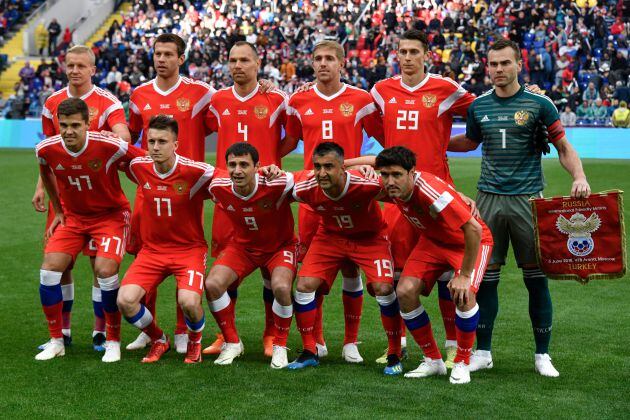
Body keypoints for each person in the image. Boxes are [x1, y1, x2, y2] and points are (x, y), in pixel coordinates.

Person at [449, 39, 591, 377]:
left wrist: (580, 176)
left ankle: (542, 354)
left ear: (519, 64)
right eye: (493, 64)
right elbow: (470, 142)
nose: (498, 70)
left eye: (505, 64)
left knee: (536, 280)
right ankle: (483, 352)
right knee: (486, 282)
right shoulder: (479, 106)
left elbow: (563, 145)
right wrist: (430, 141)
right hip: (488, 200)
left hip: (529, 200)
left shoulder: (540, 104)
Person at [370, 29, 477, 366]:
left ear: (426, 55)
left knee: (447, 274)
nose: (407, 57)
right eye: (402, 51)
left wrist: (449, 143)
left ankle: (450, 344)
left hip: (438, 197)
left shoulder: (445, 89)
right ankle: (397, 344)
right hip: (397, 200)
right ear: (396, 55)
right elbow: (375, 127)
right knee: (398, 274)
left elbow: (482, 111)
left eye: (414, 51)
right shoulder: (381, 90)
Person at [282, 40, 385, 362]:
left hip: (353, 195)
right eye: (317, 59)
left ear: (342, 64)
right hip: (315, 198)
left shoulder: (361, 100)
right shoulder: (298, 100)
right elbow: (288, 141)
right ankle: (318, 339)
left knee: (353, 270)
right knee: (311, 271)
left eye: (329, 59)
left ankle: (351, 342)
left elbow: (387, 140)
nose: (323, 63)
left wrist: (360, 165)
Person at [33, 44, 130, 352]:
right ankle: (62, 331)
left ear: (92, 69)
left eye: (80, 65)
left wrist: (102, 144)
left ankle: (101, 331)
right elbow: (50, 149)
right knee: (59, 264)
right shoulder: (52, 102)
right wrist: (41, 187)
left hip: (98, 195)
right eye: (70, 65)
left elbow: (124, 136)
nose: (74, 70)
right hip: (65, 197)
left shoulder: (107, 101)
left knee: (98, 264)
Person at [126, 33, 217, 354]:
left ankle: (182, 330)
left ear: (181, 58)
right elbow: (134, 135)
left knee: (182, 254)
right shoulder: (139, 94)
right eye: (157, 53)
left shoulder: (202, 93)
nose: (161, 59)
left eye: (168, 54)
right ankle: (149, 331)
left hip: (187, 189)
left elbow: (221, 119)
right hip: (150, 188)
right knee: (144, 253)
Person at [373, 146, 493, 384]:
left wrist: (464, 275)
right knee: (405, 292)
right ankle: (433, 361)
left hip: (469, 242)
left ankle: (462, 362)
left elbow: (474, 229)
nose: (389, 181)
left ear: (411, 173)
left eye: (396, 174)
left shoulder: (430, 192)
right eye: (384, 174)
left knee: (463, 294)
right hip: (433, 241)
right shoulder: (391, 187)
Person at [287, 142, 404, 376]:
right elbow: (276, 184)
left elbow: (404, 178)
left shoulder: (366, 183)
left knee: (384, 288)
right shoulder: (307, 186)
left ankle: (394, 354)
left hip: (369, 239)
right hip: (330, 237)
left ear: (342, 168)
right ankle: (310, 351)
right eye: (317, 166)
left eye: (329, 166)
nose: (322, 173)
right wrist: (269, 171)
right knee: (303, 285)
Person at [203, 41, 289, 357]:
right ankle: (226, 336)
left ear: (257, 63)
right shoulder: (217, 100)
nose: (237, 65)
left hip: (267, 195)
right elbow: (209, 128)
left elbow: (291, 135)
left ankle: (270, 335)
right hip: (229, 195)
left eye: (244, 60)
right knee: (227, 262)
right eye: (232, 60)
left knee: (271, 269)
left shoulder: (276, 98)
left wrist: (271, 160)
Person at [118, 115, 213, 364]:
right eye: (151, 141)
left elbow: (230, 180)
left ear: (176, 144)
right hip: (153, 251)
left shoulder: (196, 172)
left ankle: (194, 342)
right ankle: (159, 339)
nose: (156, 147)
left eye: (162, 141)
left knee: (189, 302)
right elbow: (118, 153)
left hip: (189, 250)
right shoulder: (139, 167)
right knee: (125, 301)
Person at [204, 143, 296, 368]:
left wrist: (361, 169)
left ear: (257, 167)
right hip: (243, 248)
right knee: (213, 284)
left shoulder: (278, 183)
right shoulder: (218, 188)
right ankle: (232, 342)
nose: (237, 170)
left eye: (244, 165)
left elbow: (314, 178)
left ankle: (280, 346)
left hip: (279, 247)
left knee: (282, 288)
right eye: (232, 165)